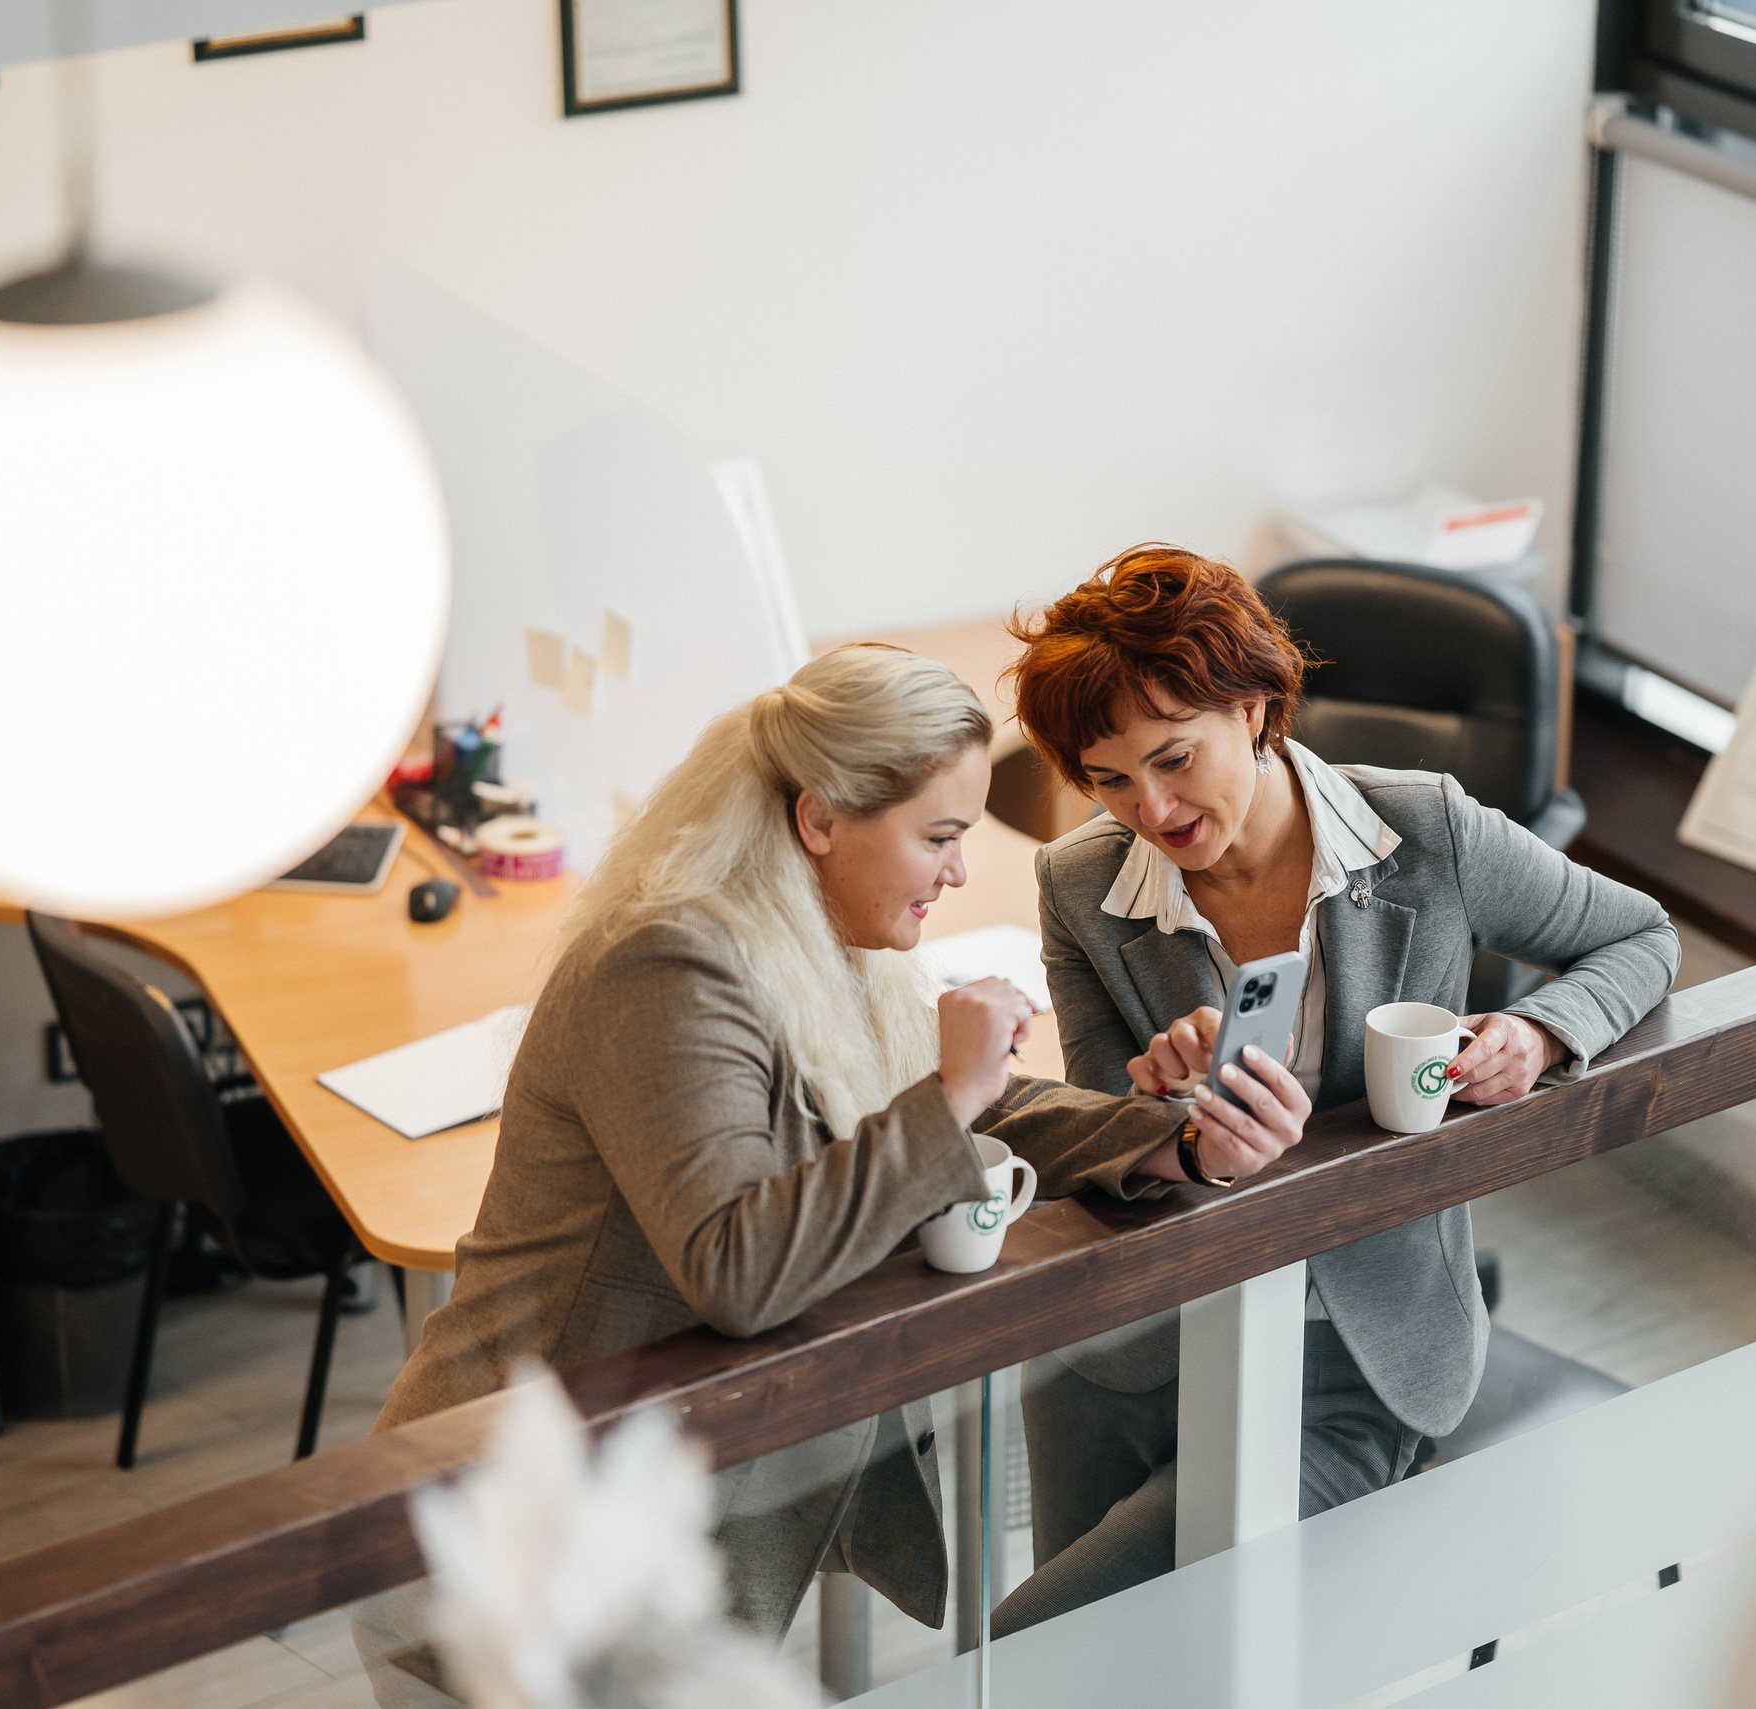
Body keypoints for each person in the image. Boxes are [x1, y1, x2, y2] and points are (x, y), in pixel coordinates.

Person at [374, 643, 1309, 1639]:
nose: (957, 870)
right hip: (529, 1520)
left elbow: (978, 1110)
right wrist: (951, 1091)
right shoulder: (668, 965)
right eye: (940, 835)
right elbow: (737, 1268)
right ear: (819, 816)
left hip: (646, 1499)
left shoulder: (819, 939)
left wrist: (1181, 1141)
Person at [993, 544, 1679, 1632]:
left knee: (1051, 1636)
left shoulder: (1425, 829)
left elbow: (1638, 936)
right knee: (1084, 1659)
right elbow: (1094, 1133)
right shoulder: (1080, 882)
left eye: (1175, 757)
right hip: (1130, 1346)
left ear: (1257, 707)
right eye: (1108, 778)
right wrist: (1159, 1102)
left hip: (1350, 1354)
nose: (1150, 806)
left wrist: (1541, 1030)